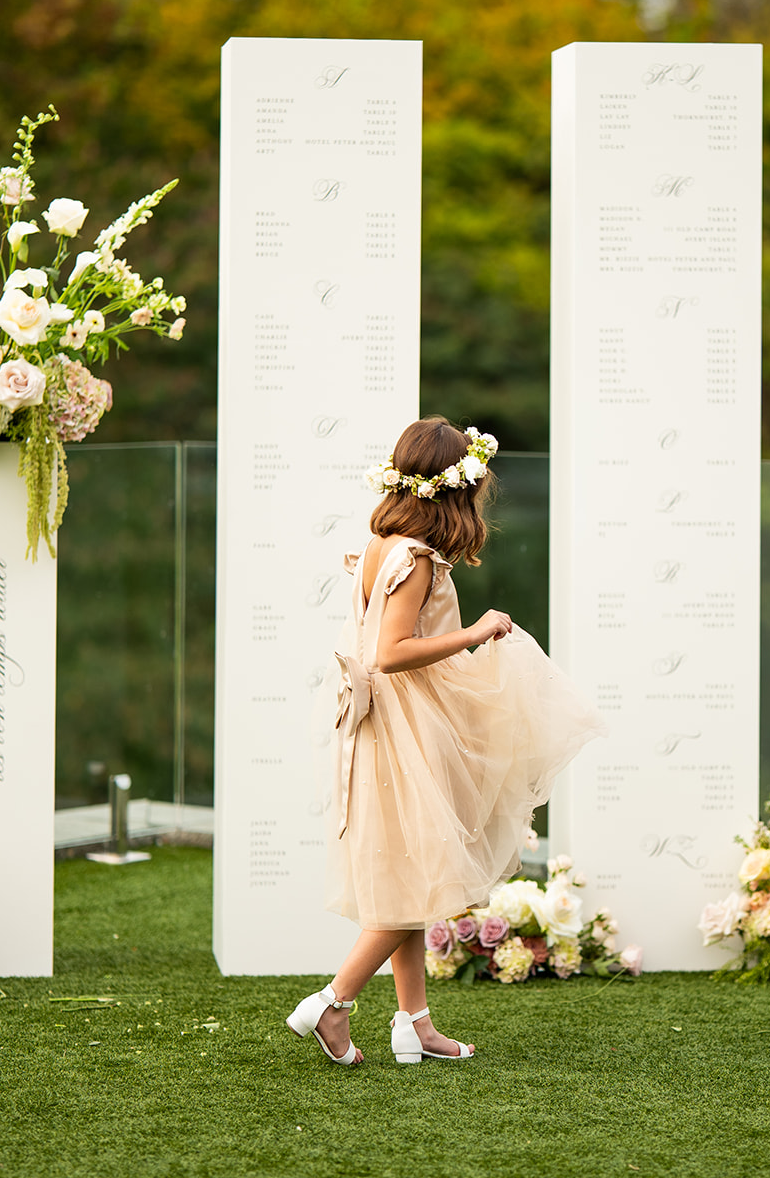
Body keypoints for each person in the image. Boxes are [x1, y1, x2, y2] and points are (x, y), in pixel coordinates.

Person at [286, 417, 603, 1067]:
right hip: (406, 727)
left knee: (413, 871)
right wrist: (475, 630)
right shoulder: (413, 558)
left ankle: (414, 1022)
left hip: (393, 723)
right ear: (456, 489)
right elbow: (391, 651)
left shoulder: (384, 543)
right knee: (424, 877)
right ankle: (331, 1002)